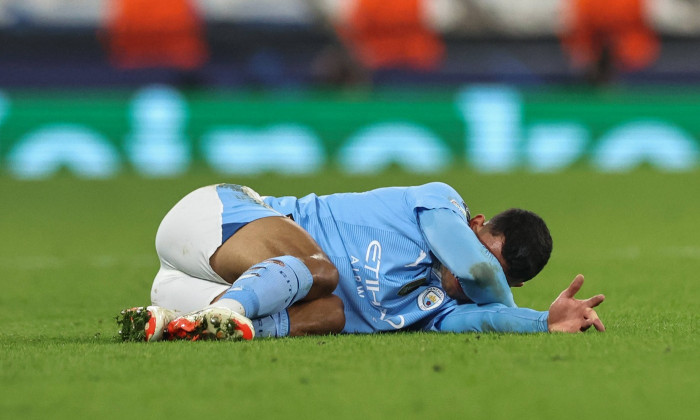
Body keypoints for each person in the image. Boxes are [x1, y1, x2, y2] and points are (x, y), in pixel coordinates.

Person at [117, 182, 605, 341]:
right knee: (322, 270)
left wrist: (543, 321)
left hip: (189, 283)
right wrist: (494, 279)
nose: (473, 270)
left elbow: (488, 314)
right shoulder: (440, 204)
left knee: (332, 314)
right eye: (484, 251)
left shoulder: (440, 311)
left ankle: (182, 323)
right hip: (215, 221)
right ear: (475, 223)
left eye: (500, 274)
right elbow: (478, 273)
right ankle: (229, 311)